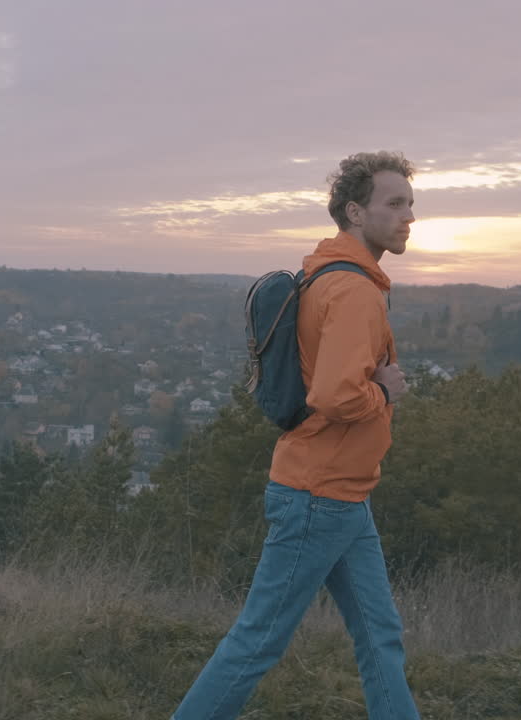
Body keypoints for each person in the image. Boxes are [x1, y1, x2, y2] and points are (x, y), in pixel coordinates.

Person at [173, 151, 419, 719]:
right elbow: (334, 397)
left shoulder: (326, 275)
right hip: (319, 495)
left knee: (381, 637)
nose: (409, 217)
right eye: (395, 204)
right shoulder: (354, 290)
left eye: (410, 205)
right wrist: (385, 391)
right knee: (257, 642)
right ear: (356, 212)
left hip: (342, 494)